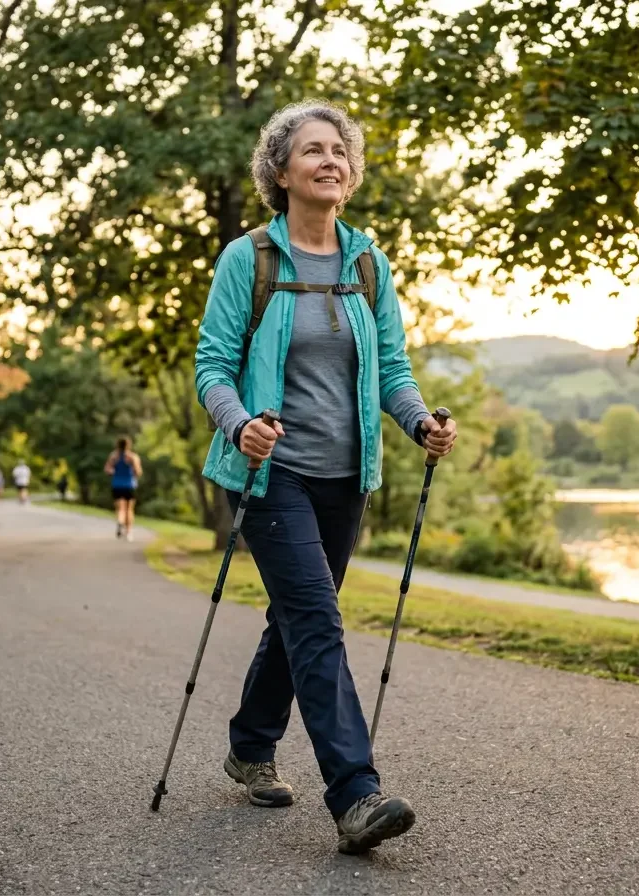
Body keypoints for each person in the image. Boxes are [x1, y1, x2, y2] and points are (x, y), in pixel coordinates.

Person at [194, 100, 457, 855]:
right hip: (269, 473)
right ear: (281, 171)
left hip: (349, 477)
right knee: (316, 619)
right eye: (313, 150)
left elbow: (395, 372)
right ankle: (355, 795)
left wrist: (420, 425)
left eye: (339, 150)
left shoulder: (367, 261)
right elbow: (212, 366)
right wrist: (239, 422)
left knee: (295, 618)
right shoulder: (250, 259)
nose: (331, 160)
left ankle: (249, 744)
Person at [103, 437, 142, 541]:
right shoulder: (132, 457)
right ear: (129, 445)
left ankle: (120, 522)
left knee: (120, 508)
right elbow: (138, 472)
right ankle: (129, 532)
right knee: (129, 509)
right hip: (130, 485)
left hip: (117, 485)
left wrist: (114, 472)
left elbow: (107, 469)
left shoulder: (114, 457)